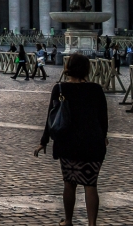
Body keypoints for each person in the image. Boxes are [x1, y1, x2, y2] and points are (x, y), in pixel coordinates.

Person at [35, 53, 109, 226]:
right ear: (86, 69)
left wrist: (43, 141)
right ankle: (92, 224)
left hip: (68, 143)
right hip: (92, 144)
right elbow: (103, 119)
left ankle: (68, 220)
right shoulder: (96, 89)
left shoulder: (60, 88)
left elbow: (51, 119)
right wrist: (103, 136)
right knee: (91, 185)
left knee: (69, 184)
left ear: (68, 67)